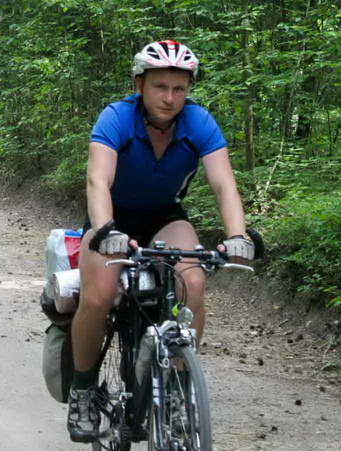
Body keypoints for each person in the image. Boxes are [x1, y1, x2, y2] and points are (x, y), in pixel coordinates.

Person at [67, 40, 255, 443]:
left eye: (179, 88)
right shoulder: (117, 117)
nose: (170, 98)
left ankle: (179, 389)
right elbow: (98, 179)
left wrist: (237, 236)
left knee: (194, 282)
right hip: (112, 218)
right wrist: (106, 231)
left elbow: (224, 185)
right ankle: (82, 390)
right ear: (140, 85)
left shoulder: (199, 123)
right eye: (160, 87)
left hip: (164, 217)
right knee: (98, 296)